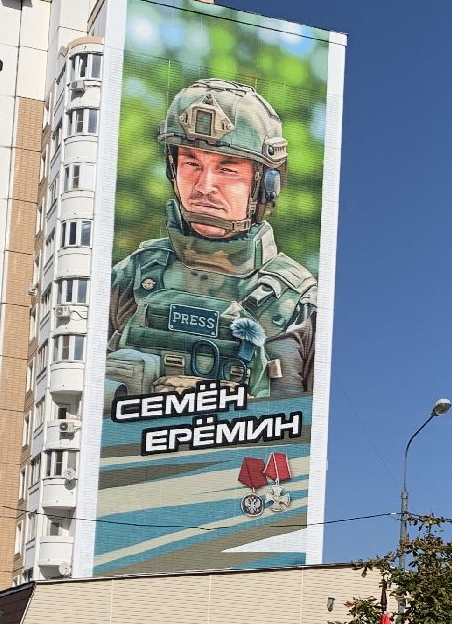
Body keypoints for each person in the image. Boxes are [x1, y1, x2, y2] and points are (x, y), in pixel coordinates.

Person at [108, 78, 317, 401]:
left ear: (266, 185)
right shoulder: (132, 274)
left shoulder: (300, 304)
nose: (204, 186)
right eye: (191, 163)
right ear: (172, 168)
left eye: (227, 169)